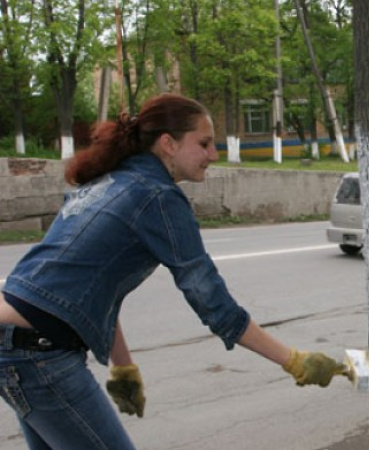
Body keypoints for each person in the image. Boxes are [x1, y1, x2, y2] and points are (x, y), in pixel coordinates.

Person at [0, 93, 347, 449]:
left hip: (16, 340)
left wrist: (123, 367)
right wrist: (293, 361)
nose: (213, 155)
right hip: (37, 350)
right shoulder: (158, 197)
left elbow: (94, 286)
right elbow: (213, 303)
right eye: (204, 143)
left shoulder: (112, 181)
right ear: (169, 144)